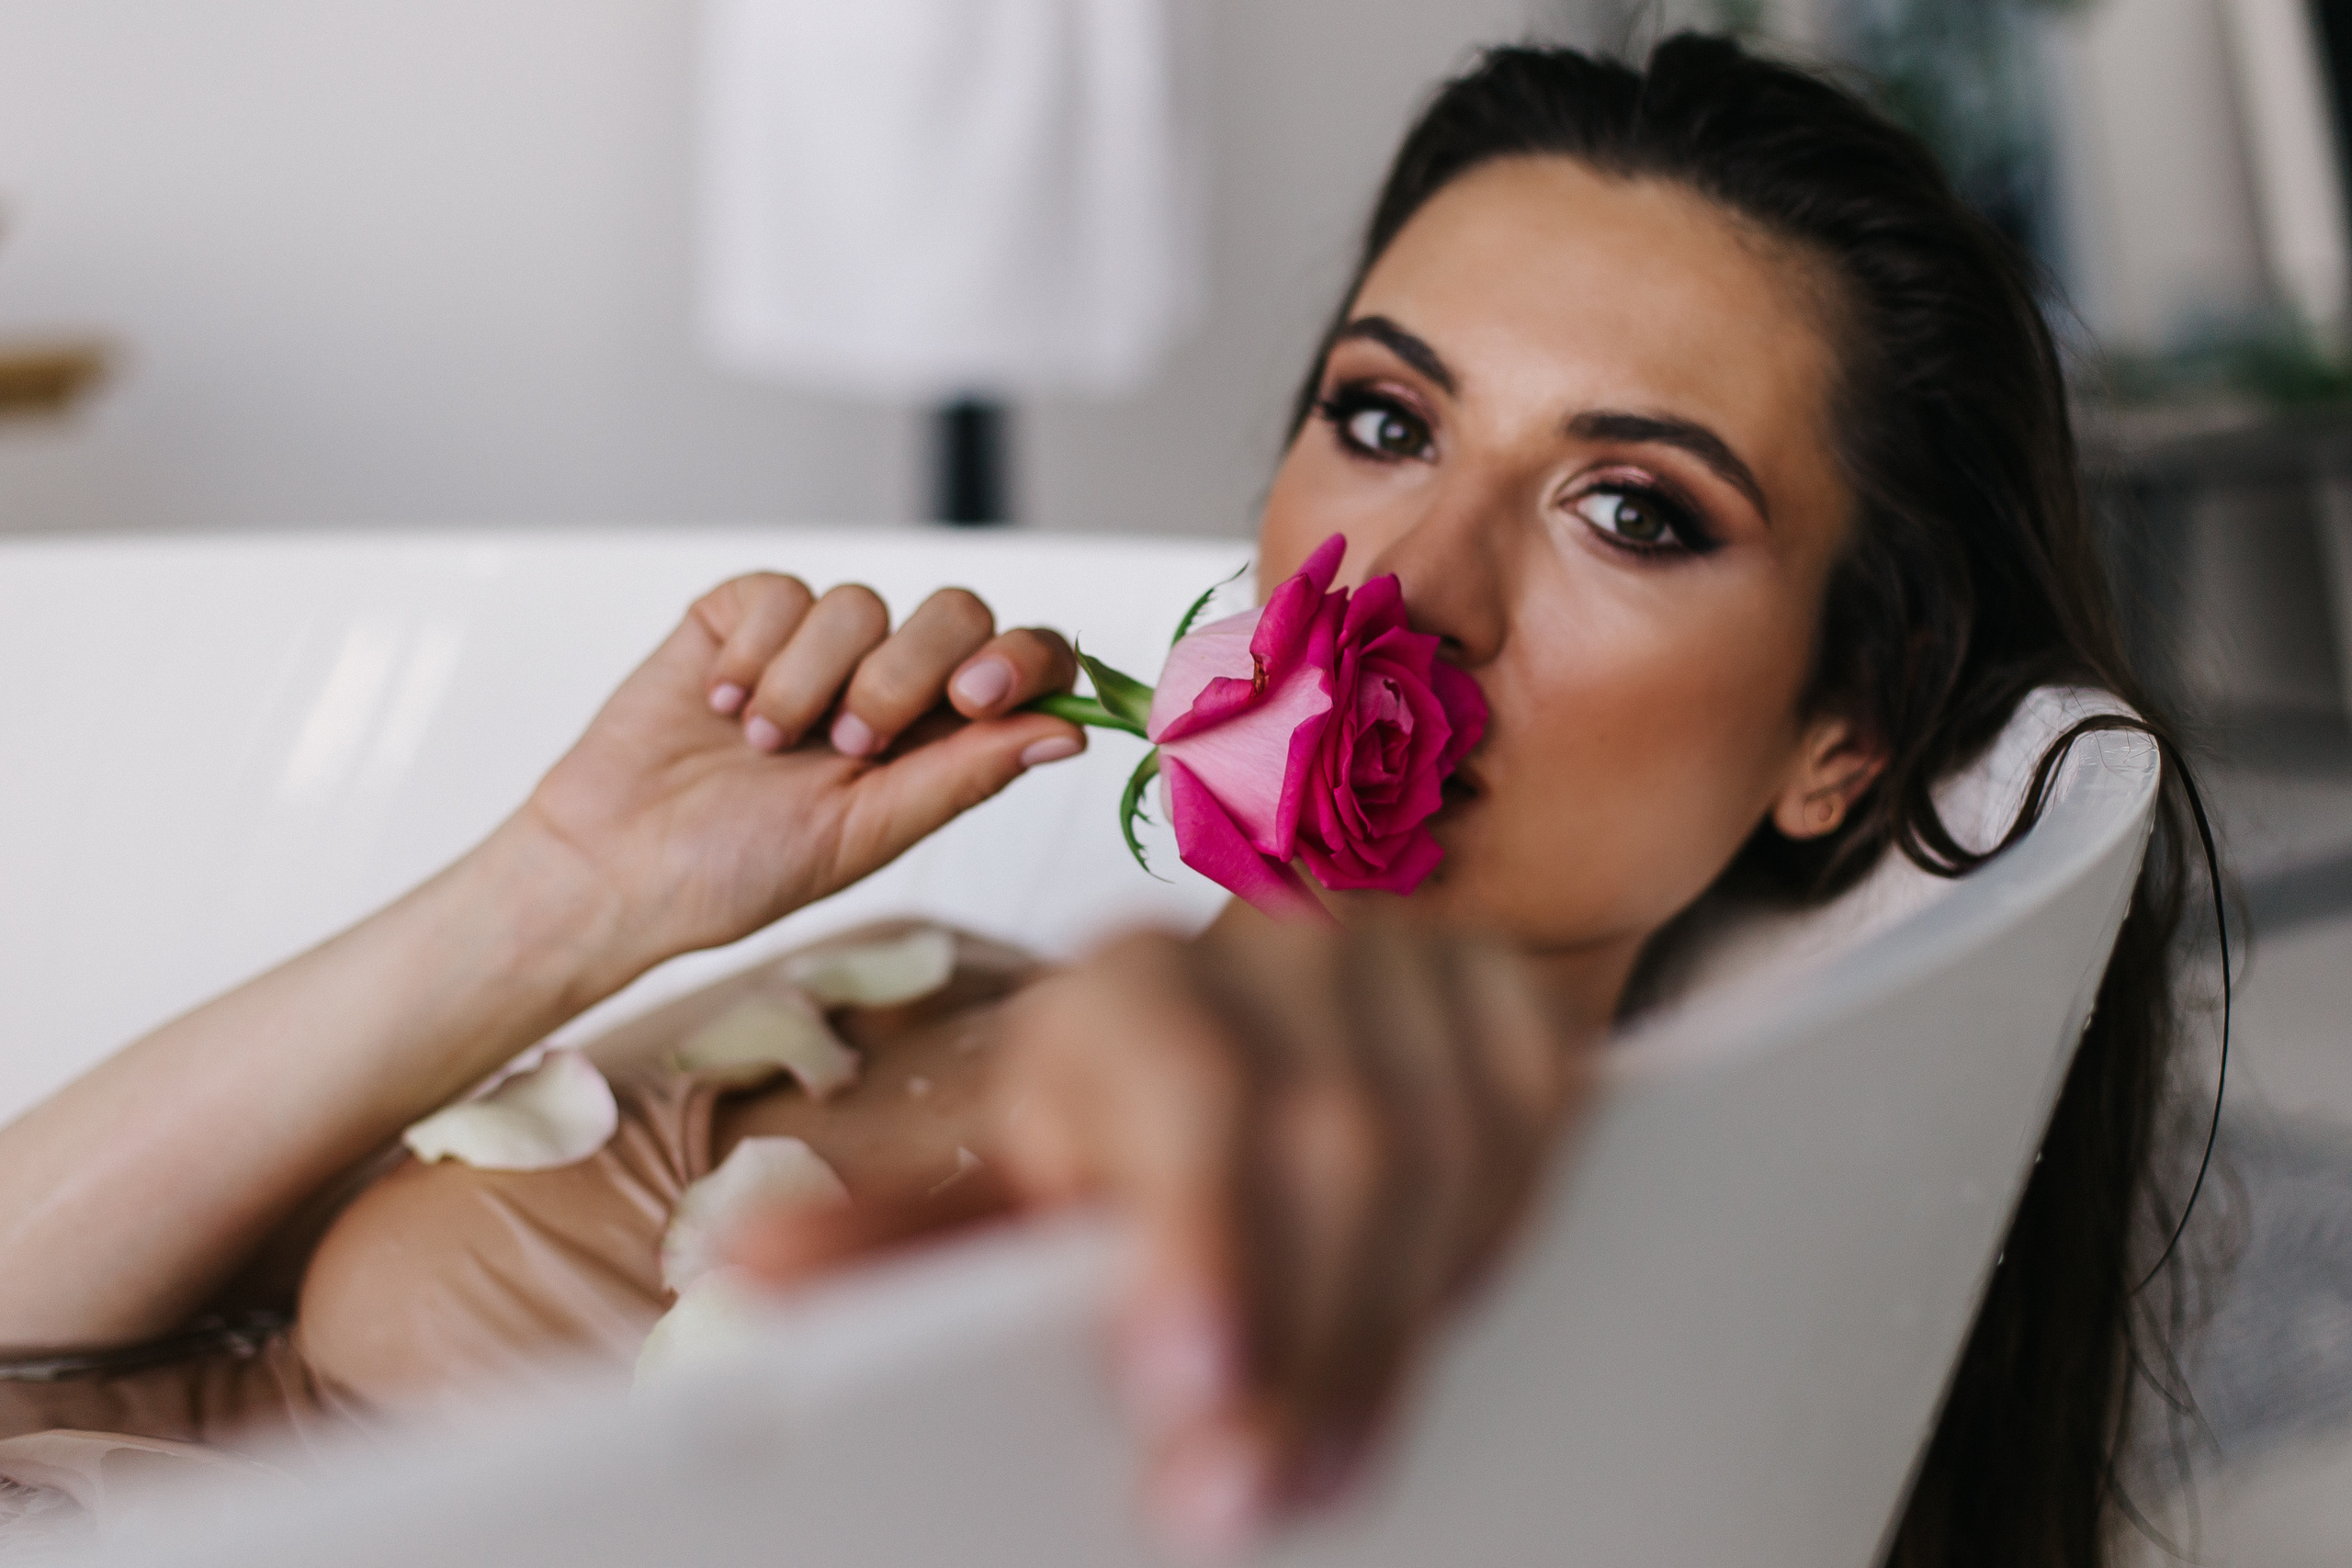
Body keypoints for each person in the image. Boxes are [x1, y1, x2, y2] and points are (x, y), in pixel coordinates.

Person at [0, 33, 2207, 1567]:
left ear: (1847, 727)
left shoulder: (1402, 1288)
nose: (1408, 585)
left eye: (1630, 509)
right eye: (1381, 418)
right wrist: (565, 894)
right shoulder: (922, 970)